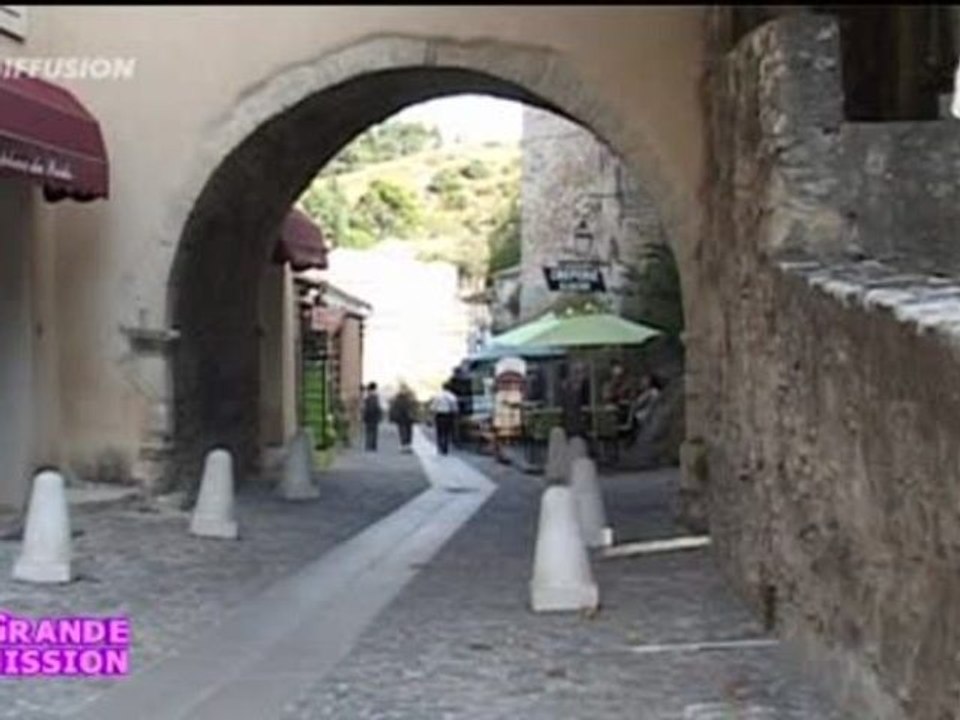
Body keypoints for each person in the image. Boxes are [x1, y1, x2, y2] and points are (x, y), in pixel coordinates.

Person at [431, 382, 459, 455]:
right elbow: (455, 408)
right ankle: (445, 448)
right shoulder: (452, 396)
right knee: (447, 432)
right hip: (448, 415)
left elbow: (433, 407)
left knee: (439, 432)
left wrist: (434, 413)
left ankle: (439, 446)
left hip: (439, 415)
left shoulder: (437, 396)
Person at [389, 382, 418, 453]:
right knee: (406, 431)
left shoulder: (399, 397)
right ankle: (406, 445)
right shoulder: (409, 397)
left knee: (406, 431)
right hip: (404, 417)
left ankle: (406, 445)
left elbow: (394, 407)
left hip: (405, 417)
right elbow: (414, 406)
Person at [361, 382, 383, 452]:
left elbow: (367, 409)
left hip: (370, 417)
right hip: (373, 417)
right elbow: (378, 408)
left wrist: (364, 416)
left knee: (369, 432)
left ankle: (369, 445)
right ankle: (372, 445)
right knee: (373, 432)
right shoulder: (375, 398)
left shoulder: (368, 398)